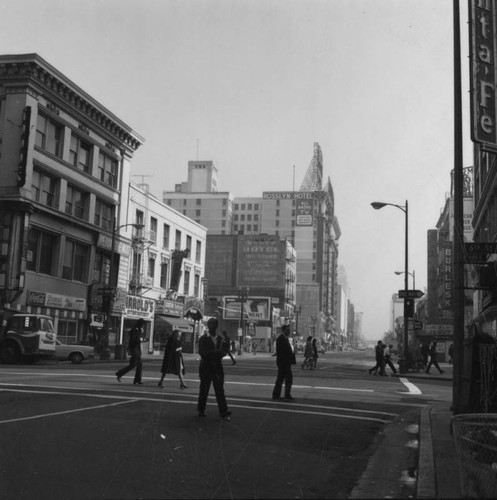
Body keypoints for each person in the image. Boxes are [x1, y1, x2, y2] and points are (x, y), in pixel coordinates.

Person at [197, 318, 231, 420]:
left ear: (216, 326)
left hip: (217, 367)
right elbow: (202, 352)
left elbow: (224, 352)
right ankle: (201, 410)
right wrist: (214, 352)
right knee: (204, 390)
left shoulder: (220, 339)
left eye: (213, 324)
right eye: (210, 324)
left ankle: (223, 412)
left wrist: (227, 343)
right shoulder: (203, 338)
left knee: (220, 391)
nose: (211, 326)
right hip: (206, 367)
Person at [115, 318, 148, 385]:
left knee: (139, 364)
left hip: (137, 349)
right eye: (143, 325)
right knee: (134, 364)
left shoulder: (138, 330)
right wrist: (142, 340)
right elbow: (133, 340)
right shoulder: (134, 330)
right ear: (140, 324)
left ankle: (137, 380)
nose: (143, 326)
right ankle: (120, 373)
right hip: (134, 349)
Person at [272, 324, 296, 401]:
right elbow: (281, 352)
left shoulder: (285, 339)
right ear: (283, 330)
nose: (289, 331)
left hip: (286, 363)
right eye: (287, 330)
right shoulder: (281, 339)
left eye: (289, 330)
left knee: (281, 379)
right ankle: (284, 395)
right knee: (286, 379)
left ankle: (278, 395)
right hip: (283, 363)